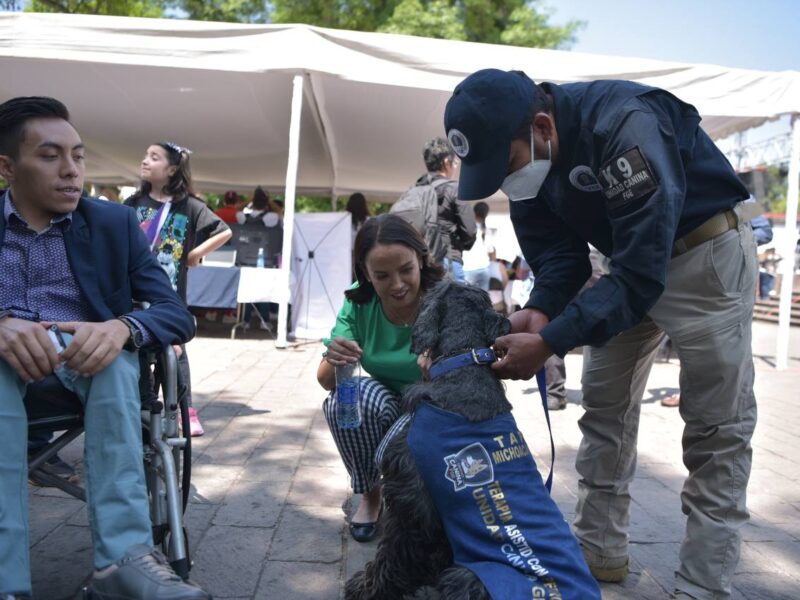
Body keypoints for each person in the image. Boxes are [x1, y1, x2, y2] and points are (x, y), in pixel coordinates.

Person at [444, 69, 759, 600]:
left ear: (543, 125)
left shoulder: (624, 125)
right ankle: (599, 551)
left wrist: (550, 342)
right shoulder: (530, 157)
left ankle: (703, 584)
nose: (506, 182)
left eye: (508, 166)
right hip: (626, 266)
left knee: (715, 431)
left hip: (704, 259)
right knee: (605, 410)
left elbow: (642, 270)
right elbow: (558, 257)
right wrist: (542, 311)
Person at [0, 96, 208, 599]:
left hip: (87, 363)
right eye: (50, 156)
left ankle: (122, 562)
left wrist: (122, 328)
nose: (71, 170)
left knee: (115, 360)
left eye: (78, 155)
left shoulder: (113, 224)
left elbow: (173, 311)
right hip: (6, 364)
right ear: (7, 167)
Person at [317, 213, 444, 543]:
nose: (398, 285)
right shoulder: (359, 299)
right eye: (382, 275)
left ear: (421, 258)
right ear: (366, 273)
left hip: (438, 403)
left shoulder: (446, 296)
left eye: (406, 270)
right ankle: (371, 494)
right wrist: (335, 357)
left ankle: (421, 493)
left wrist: (444, 362)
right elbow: (326, 381)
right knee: (345, 399)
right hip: (386, 407)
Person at [125, 142, 232, 436]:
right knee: (136, 350)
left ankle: (186, 410)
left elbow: (224, 231)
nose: (145, 161)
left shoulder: (189, 206)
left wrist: (195, 253)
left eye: (154, 157)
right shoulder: (133, 204)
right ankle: (141, 407)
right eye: (145, 155)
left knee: (175, 354)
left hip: (169, 297)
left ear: (172, 169)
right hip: (131, 295)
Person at [414, 137, 477, 281]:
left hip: (419, 265)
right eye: (455, 163)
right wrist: (461, 244)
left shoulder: (416, 190)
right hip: (448, 261)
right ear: (446, 162)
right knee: (454, 303)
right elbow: (469, 231)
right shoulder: (455, 189)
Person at [235, 186, 283, 327]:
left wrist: (248, 200)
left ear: (253, 201)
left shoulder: (243, 217)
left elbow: (236, 209)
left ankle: (246, 320)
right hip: (265, 258)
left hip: (245, 258)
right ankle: (265, 320)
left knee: (247, 290)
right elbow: (279, 212)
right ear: (266, 202)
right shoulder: (271, 217)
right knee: (264, 290)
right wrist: (270, 201)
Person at [461, 200, 493, 290]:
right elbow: (490, 251)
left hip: (468, 268)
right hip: (484, 268)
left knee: (467, 298)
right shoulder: (487, 231)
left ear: (474, 211)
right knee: (483, 300)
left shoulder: (467, 228)